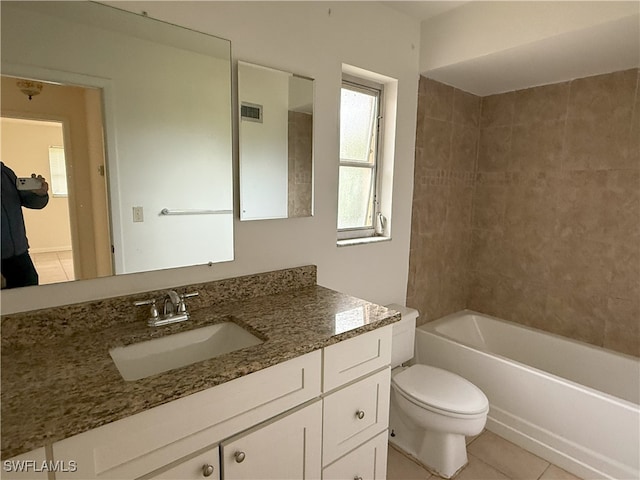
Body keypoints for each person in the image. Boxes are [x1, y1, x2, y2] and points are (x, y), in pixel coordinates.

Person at [1, 162, 49, 288]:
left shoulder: (5, 172)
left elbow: (29, 201)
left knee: (30, 297)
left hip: (20, 254)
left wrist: (39, 194)